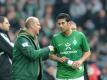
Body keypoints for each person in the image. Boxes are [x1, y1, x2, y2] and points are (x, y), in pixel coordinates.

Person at [49, 13, 91, 80]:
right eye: (59, 24)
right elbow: (50, 55)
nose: (61, 26)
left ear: (69, 23)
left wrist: (80, 61)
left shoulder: (80, 36)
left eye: (63, 23)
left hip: (77, 75)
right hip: (61, 75)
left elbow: (87, 52)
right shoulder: (55, 38)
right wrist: (59, 59)